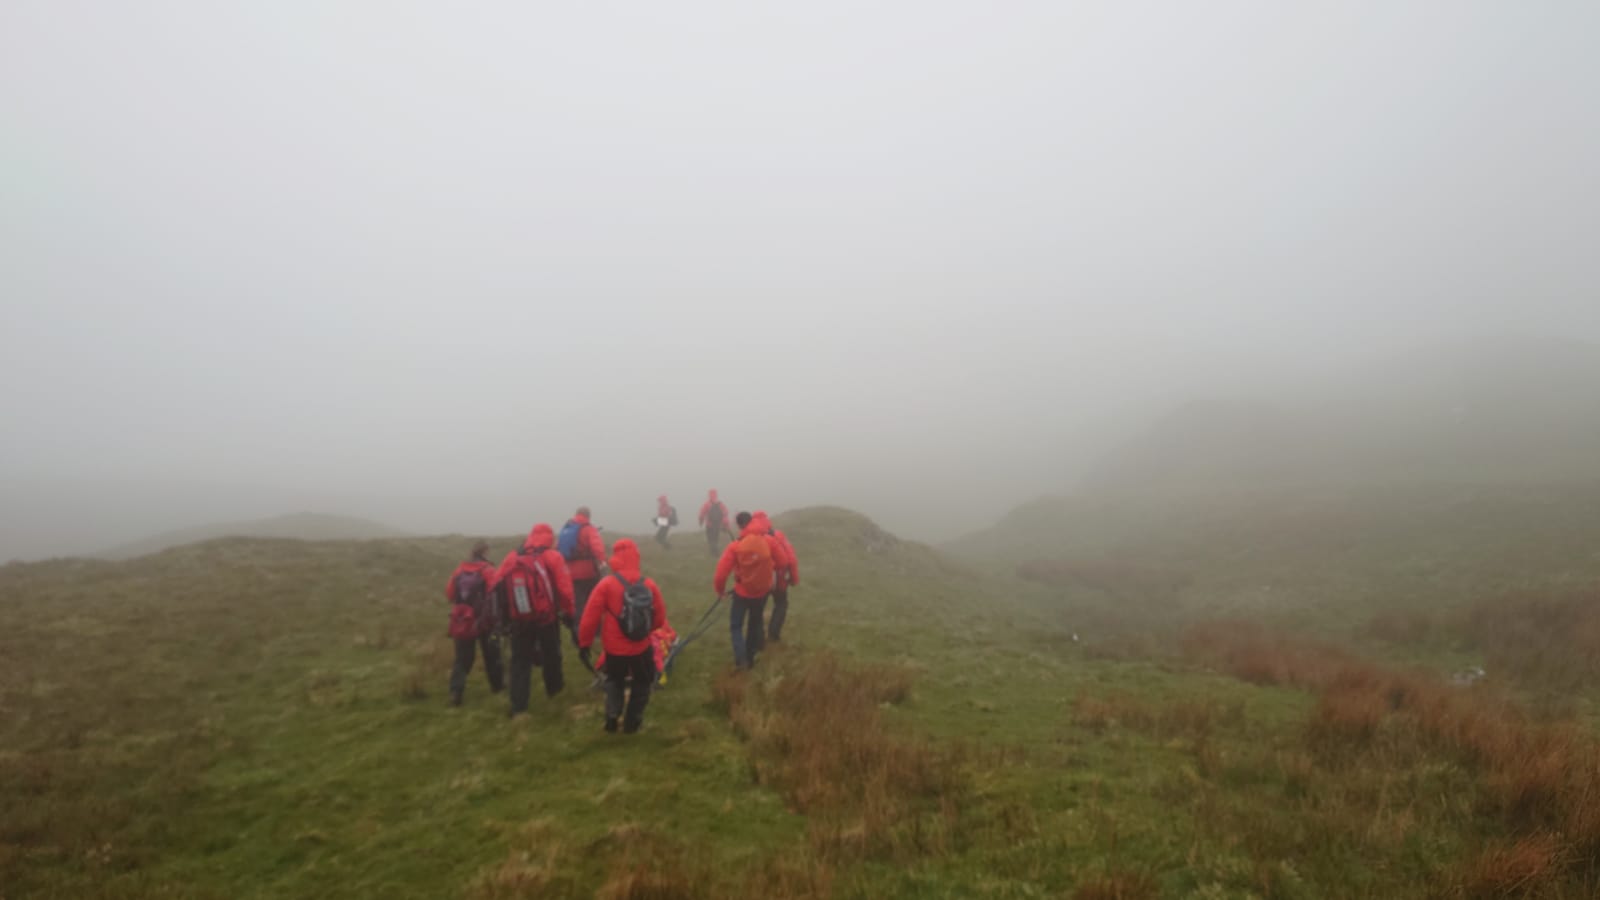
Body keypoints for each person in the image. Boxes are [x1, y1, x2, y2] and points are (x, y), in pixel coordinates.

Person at [577, 539, 668, 734]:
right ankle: (632, 722)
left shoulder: (607, 584)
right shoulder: (649, 584)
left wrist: (584, 644)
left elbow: (589, 617)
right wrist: (644, 631)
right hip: (641, 647)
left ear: (615, 559)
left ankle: (612, 716)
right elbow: (660, 619)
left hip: (614, 648)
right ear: (636, 558)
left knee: (614, 681)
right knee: (642, 683)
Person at [494, 524, 575, 716]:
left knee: (520, 661)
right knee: (551, 655)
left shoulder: (513, 556)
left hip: (519, 618)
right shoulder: (552, 556)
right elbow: (565, 589)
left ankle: (518, 706)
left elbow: (497, 583)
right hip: (546, 617)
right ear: (549, 538)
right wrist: (569, 613)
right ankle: (554, 691)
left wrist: (504, 616)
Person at [714, 511, 791, 670]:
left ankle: (741, 659)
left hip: (741, 593)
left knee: (736, 626)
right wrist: (767, 569)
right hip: (761, 593)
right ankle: (749, 659)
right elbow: (783, 561)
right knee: (753, 624)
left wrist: (720, 591)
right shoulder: (768, 540)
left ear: (739, 525)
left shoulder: (735, 546)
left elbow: (721, 574)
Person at [444, 540, 504, 706]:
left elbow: (449, 594)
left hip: (463, 620)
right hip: (485, 621)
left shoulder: (459, 571)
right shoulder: (489, 570)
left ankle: (456, 691)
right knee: (492, 655)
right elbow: (499, 592)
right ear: (485, 552)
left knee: (462, 658)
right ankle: (497, 687)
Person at [752, 511, 800, 643]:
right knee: (781, 603)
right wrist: (794, 579)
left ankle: (758, 639)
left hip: (760, 580)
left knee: (758, 608)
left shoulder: (750, 538)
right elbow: (791, 558)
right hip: (779, 579)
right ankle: (774, 633)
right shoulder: (778, 536)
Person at [559, 506, 607, 625]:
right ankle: (594, 631)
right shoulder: (589, 529)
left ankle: (578, 633)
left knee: (578, 604)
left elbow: (558, 549)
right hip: (588, 574)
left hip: (570, 574)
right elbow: (598, 549)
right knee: (592, 603)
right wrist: (603, 563)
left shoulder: (567, 528)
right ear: (588, 516)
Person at [699, 489, 733, 556]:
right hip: (717, 524)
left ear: (709, 495)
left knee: (711, 538)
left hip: (709, 524)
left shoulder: (707, 504)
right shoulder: (720, 504)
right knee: (716, 537)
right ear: (716, 495)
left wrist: (701, 521)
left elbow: (702, 513)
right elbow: (725, 512)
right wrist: (725, 524)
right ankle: (715, 551)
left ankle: (713, 551)